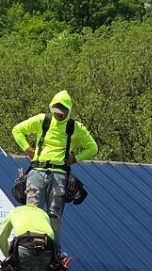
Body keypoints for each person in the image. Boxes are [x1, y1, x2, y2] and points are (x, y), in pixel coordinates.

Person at [10, 90, 98, 232]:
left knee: (54, 216)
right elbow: (17, 130)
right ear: (52, 107)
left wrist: (75, 159)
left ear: (68, 111)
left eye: (63, 110)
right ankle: (28, 245)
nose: (59, 113)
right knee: (32, 212)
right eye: (56, 110)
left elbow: (93, 148)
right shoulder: (43, 120)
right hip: (37, 171)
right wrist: (27, 149)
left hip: (59, 174)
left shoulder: (75, 127)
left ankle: (53, 251)